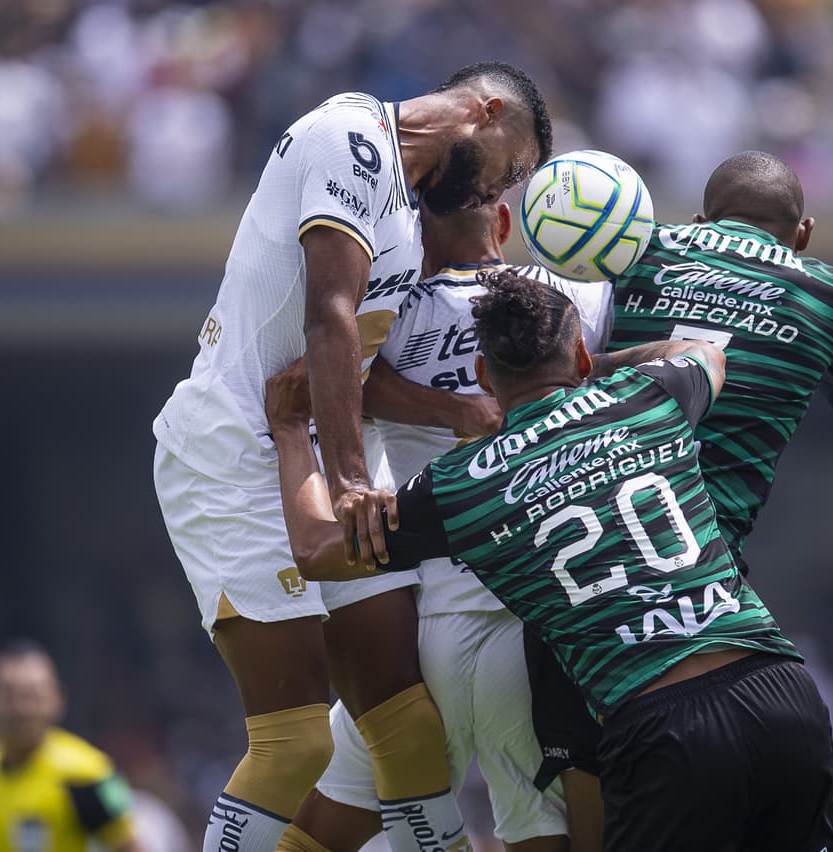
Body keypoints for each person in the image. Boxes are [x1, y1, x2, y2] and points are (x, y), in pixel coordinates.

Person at [267, 272, 833, 852]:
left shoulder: (467, 486)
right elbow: (704, 352)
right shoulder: (648, 399)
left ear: (484, 376)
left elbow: (316, 549)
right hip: (779, 691)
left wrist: (292, 430)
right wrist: (594, 366)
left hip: (663, 726)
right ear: (580, 354)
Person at [151, 62, 552, 852]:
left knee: (407, 728)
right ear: (489, 110)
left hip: (318, 451)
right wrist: (349, 482)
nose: (495, 193)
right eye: (514, 168)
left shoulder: (406, 212)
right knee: (295, 743)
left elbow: (356, 372)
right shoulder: (350, 138)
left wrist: (455, 409)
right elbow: (328, 317)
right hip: (234, 452)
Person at [527, 149, 833, 848]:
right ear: (804, 232)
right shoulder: (832, 290)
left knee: (578, 821)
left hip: (580, 579)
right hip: (704, 590)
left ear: (699, 219)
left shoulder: (643, 246)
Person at [271, 202, 610, 852]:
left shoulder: (390, 311)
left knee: (320, 834)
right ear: (506, 220)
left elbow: (328, 373)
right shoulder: (577, 302)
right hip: (531, 636)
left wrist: (448, 409)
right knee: (535, 829)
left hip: (419, 635)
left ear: (414, 234)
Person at [0, 640, 140, 852]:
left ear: (57, 699)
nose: (21, 708)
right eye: (8, 695)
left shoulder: (89, 775)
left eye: (32, 695)